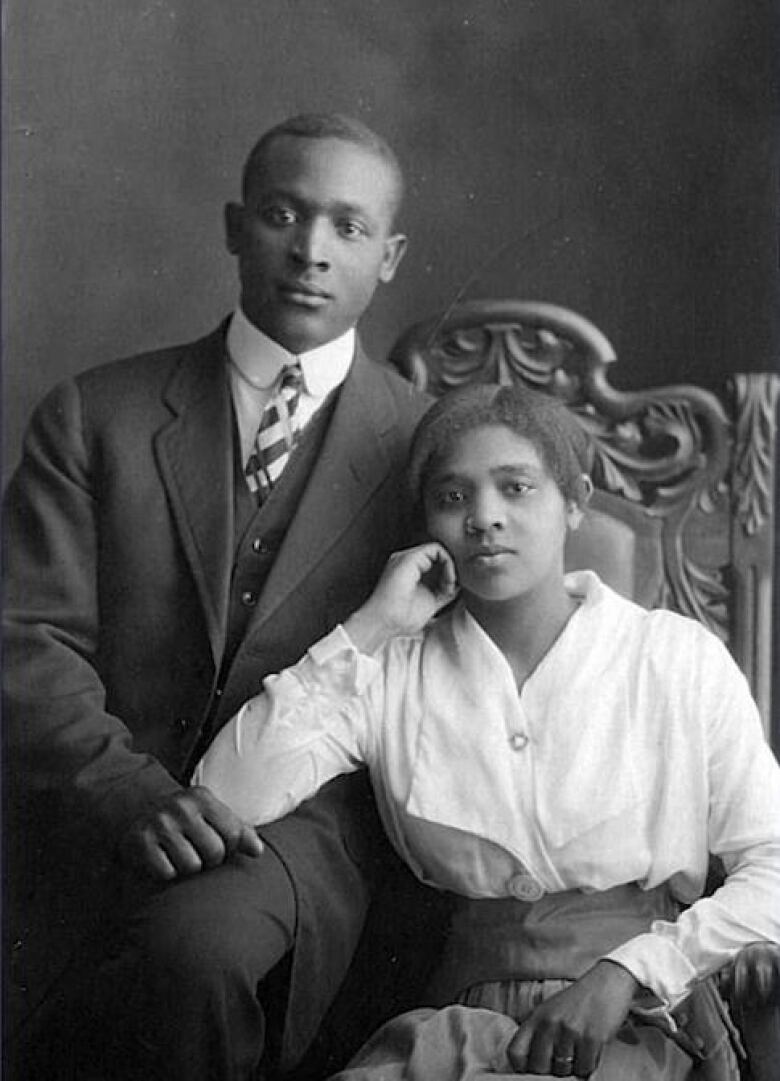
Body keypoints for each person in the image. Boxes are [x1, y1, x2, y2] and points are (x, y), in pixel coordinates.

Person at [3, 113, 431, 1081]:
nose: (312, 252)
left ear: (390, 256)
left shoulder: (424, 448)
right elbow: (24, 637)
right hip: (88, 801)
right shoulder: (97, 414)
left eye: (348, 228)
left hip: (295, 828)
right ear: (236, 227)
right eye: (284, 214)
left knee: (194, 958)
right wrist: (127, 791)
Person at [197, 383, 780, 1080]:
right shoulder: (392, 668)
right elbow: (226, 794)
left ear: (574, 500)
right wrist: (373, 625)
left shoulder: (674, 657)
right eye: (453, 497)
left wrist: (632, 969)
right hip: (456, 1031)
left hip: (639, 1023)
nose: (484, 518)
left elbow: (773, 862)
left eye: (517, 488)